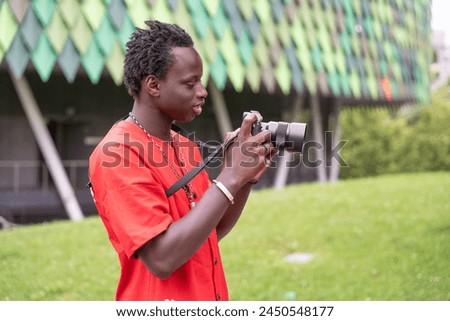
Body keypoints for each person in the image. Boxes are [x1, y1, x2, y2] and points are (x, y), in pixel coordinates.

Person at [89, 20, 276, 301]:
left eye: (200, 81)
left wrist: (244, 176)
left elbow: (209, 231)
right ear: (153, 85)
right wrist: (230, 177)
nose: (202, 91)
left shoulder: (185, 145)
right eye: (191, 83)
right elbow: (162, 258)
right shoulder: (117, 154)